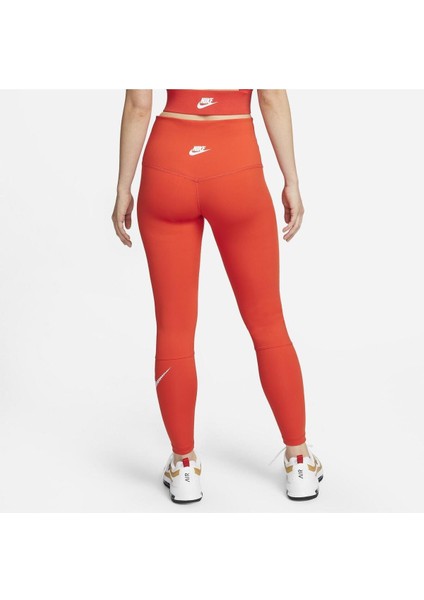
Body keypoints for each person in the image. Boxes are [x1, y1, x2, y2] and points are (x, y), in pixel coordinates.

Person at [112, 89, 324, 504]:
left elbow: (139, 105)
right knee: (267, 322)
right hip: (235, 162)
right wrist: (292, 181)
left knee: (174, 327)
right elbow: (271, 98)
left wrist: (123, 186)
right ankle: (299, 460)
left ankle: (183, 466)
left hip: (168, 164)